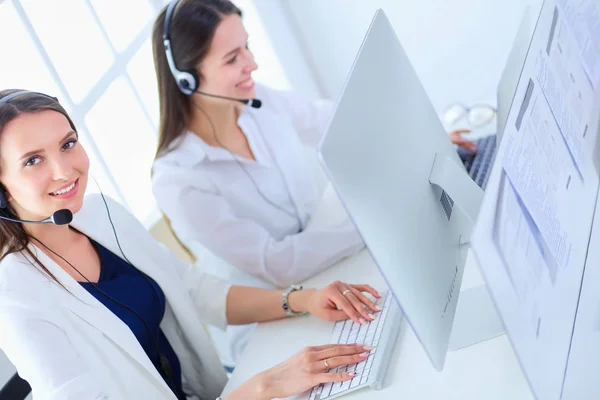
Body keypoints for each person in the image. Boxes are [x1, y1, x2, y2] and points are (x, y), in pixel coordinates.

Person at [150, 0, 476, 366]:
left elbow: (340, 124)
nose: (252, 64)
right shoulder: (180, 180)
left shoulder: (256, 100)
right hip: (271, 328)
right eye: (232, 59)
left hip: (326, 274)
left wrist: (422, 137)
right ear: (186, 79)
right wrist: (371, 220)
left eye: (247, 47)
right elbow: (278, 265)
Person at [0, 89, 383, 399]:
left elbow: (194, 289)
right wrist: (265, 387)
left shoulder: (101, 214)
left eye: (68, 144)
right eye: (33, 160)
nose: (65, 170)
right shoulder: (14, 294)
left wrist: (301, 300)